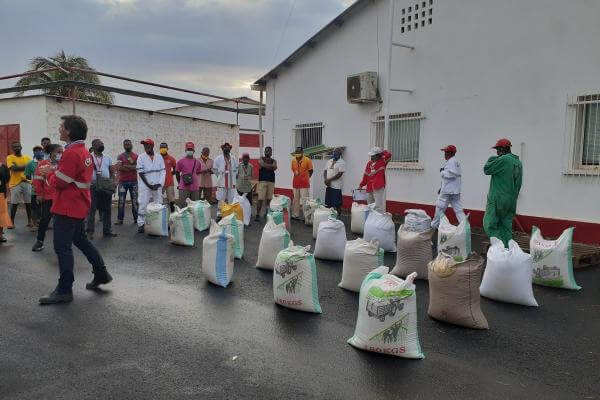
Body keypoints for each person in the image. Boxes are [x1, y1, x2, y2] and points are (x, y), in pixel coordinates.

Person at [38, 115, 113, 305]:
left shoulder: (71, 153)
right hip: (78, 204)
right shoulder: (82, 152)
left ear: (69, 131)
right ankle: (101, 273)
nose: (59, 129)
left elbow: (61, 182)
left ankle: (64, 289)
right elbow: (70, 177)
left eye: (61, 126)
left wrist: (49, 174)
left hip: (67, 206)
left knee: (62, 247)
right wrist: (56, 172)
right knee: (81, 240)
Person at [483, 138, 523, 248]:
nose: (496, 152)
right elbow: (519, 183)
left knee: (489, 224)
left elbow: (486, 169)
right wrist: (513, 197)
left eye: (497, 149)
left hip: (498, 198)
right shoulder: (518, 162)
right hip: (511, 200)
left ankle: (499, 248)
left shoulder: (503, 159)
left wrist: (492, 158)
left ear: (503, 149)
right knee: (506, 226)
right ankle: (508, 248)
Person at [32, 144, 63, 252]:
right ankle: (39, 241)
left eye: (62, 152)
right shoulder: (43, 164)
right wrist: (39, 194)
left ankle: (60, 245)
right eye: (58, 152)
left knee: (61, 222)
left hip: (61, 198)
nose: (60, 154)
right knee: (45, 220)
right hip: (48, 197)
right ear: (51, 152)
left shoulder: (63, 164)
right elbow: (37, 180)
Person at [86, 139, 117, 239]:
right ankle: (90, 231)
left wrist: (113, 182)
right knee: (92, 209)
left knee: (107, 209)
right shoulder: (88, 157)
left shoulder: (107, 157)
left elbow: (112, 172)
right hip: (93, 186)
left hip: (105, 186)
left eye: (102, 143)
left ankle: (107, 230)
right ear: (94, 146)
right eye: (100, 144)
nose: (102, 145)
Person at [431, 145, 466, 229]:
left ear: (450, 153)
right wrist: (441, 187)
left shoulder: (451, 161)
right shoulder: (455, 162)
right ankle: (464, 227)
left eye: (446, 152)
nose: (444, 154)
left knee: (439, 208)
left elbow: (452, 175)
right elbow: (454, 176)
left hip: (447, 191)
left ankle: (434, 226)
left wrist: (442, 172)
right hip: (454, 191)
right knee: (458, 210)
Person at [136, 138, 165, 233]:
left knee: (159, 203)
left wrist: (160, 183)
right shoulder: (141, 157)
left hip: (157, 185)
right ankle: (141, 223)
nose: (146, 147)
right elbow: (140, 173)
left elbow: (163, 172)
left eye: (148, 145)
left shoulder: (159, 157)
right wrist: (149, 185)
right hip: (145, 185)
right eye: (144, 145)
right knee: (143, 204)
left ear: (152, 146)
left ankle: (158, 222)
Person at [6, 142, 33, 228]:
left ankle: (30, 221)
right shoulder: (10, 157)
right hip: (15, 183)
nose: (17, 148)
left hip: (27, 182)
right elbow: (13, 168)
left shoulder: (27, 158)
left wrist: (18, 167)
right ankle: (11, 222)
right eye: (14, 147)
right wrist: (25, 167)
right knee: (14, 204)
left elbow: (30, 170)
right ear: (12, 149)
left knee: (28, 203)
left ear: (21, 147)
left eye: (18, 146)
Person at [359, 147, 392, 212]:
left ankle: (377, 220)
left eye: (373, 155)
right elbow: (365, 175)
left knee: (378, 205)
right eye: (371, 155)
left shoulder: (383, 161)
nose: (371, 157)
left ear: (378, 156)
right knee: (370, 205)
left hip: (378, 186)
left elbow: (389, 155)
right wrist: (361, 185)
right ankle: (371, 220)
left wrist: (381, 152)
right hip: (369, 187)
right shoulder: (369, 163)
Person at [116, 139, 138, 225]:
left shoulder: (136, 156)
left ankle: (136, 219)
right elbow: (119, 167)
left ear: (131, 145)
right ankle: (120, 219)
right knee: (121, 201)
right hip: (122, 182)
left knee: (135, 201)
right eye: (125, 144)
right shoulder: (120, 156)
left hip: (134, 182)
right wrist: (131, 167)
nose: (127, 145)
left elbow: (137, 167)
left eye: (129, 144)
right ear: (123, 146)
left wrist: (125, 166)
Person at [213, 142, 239, 215]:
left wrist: (234, 175)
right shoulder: (218, 158)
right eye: (225, 148)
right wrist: (220, 176)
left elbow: (237, 168)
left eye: (228, 148)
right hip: (222, 183)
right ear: (222, 149)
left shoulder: (233, 158)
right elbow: (214, 169)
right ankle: (219, 214)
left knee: (232, 199)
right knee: (221, 199)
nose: (226, 149)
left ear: (230, 149)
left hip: (231, 183)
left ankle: (231, 214)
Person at [175, 142, 201, 207]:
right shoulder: (180, 161)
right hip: (183, 187)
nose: (190, 151)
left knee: (194, 206)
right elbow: (177, 172)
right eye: (188, 149)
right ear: (185, 150)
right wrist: (180, 183)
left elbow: (198, 172)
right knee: (183, 206)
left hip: (195, 187)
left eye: (191, 149)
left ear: (194, 151)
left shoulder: (197, 162)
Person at [25, 145, 45, 230]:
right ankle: (34, 224)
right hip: (34, 190)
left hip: (45, 190)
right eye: (36, 151)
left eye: (40, 150)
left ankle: (42, 223)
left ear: (43, 152)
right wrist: (33, 183)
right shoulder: (30, 163)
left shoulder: (46, 162)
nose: (38, 152)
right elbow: (27, 176)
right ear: (33, 153)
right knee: (34, 208)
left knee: (44, 208)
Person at [291, 147, 313, 219]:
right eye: (296, 153)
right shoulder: (293, 160)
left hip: (304, 183)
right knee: (295, 199)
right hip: (295, 183)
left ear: (302, 153)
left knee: (305, 200)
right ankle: (295, 215)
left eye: (299, 153)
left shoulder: (307, 160)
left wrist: (307, 177)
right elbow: (293, 170)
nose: (297, 154)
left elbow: (311, 170)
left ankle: (306, 216)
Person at [255, 146, 277, 221]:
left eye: (269, 151)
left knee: (269, 199)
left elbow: (275, 167)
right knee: (260, 199)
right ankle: (257, 214)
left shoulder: (274, 160)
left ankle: (267, 213)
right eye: (266, 151)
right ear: (264, 152)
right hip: (262, 181)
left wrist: (265, 165)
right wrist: (270, 166)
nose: (268, 152)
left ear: (271, 153)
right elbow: (262, 164)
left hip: (271, 181)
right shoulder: (261, 158)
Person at [324, 148, 345, 215]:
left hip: (337, 186)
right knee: (328, 203)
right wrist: (325, 180)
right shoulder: (329, 161)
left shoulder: (342, 162)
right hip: (329, 185)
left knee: (337, 203)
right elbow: (325, 171)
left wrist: (329, 180)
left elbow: (340, 174)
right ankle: (328, 216)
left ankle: (339, 217)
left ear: (340, 154)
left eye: (336, 152)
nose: (334, 153)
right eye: (334, 152)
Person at [159, 142, 177, 212]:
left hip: (169, 182)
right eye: (161, 148)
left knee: (171, 199)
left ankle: (173, 213)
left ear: (167, 149)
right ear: (159, 149)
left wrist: (170, 174)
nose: (163, 149)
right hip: (160, 182)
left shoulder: (171, 159)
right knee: (159, 199)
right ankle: (159, 214)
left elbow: (175, 169)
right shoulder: (157, 158)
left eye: (164, 148)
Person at [0, 162, 11, 242]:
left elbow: (7, 178)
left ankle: (0, 235)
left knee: (1, 215)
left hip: (1, 193)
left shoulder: (4, 167)